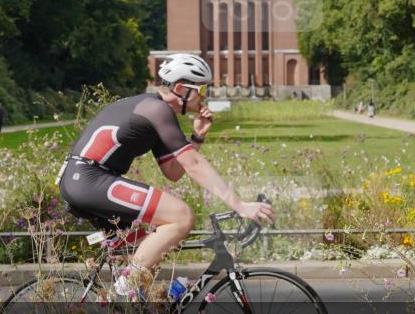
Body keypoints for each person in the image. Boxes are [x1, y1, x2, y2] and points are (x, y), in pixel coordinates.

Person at [57, 53, 273, 300]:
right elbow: (193, 165)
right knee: (181, 215)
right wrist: (240, 205)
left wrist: (197, 137)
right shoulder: (156, 109)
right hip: (89, 178)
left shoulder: (154, 110)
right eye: (201, 88)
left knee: (147, 249)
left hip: (86, 179)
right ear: (180, 88)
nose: (205, 95)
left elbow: (173, 172)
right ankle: (126, 287)